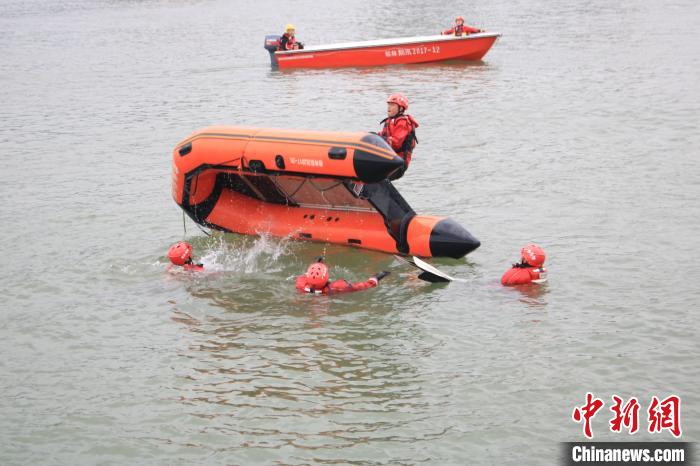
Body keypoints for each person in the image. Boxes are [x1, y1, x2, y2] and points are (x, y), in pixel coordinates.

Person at [296, 258, 390, 294]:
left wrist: (317, 263)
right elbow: (361, 286)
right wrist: (377, 278)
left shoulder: (301, 283)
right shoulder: (338, 287)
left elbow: (310, 277)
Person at [379, 93, 419, 179]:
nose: (389, 107)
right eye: (388, 104)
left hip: (399, 163)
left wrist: (380, 139)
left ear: (400, 108)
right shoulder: (389, 121)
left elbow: (395, 143)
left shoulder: (403, 122)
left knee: (378, 175)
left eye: (392, 105)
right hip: (387, 159)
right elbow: (382, 135)